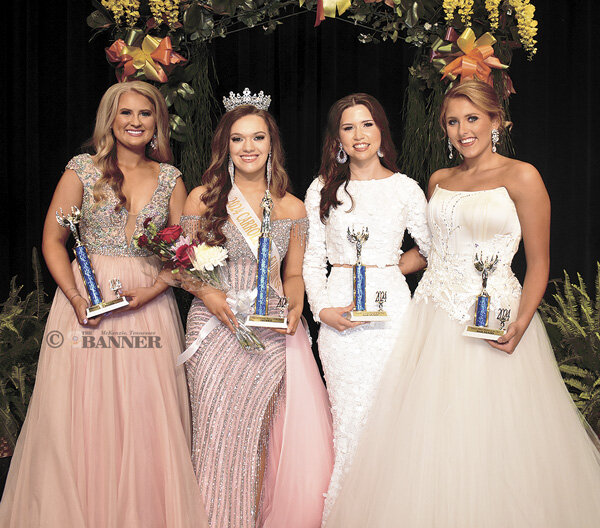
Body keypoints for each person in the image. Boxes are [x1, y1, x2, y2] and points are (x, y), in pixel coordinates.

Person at [326, 80, 600, 527]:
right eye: (452, 122)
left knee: (494, 433)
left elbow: (539, 264)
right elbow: (434, 250)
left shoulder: (522, 175)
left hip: (493, 319)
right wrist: (373, 271)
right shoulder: (439, 180)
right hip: (433, 318)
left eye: (472, 118)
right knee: (432, 438)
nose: (462, 130)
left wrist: (522, 322)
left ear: (496, 121)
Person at [0, 81, 207, 527]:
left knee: (145, 414)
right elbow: (53, 242)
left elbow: (183, 252)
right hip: (86, 304)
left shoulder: (170, 178)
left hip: (147, 306)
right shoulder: (81, 170)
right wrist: (75, 296)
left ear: (158, 122)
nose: (135, 122)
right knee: (81, 410)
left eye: (145, 114)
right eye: (126, 113)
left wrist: (155, 288)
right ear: (110, 120)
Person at [179, 89, 333, 528]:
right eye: (238, 139)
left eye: (258, 138)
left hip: (267, 329)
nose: (249, 147)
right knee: (214, 433)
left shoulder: (292, 207)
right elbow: (184, 269)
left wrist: (297, 301)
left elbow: (294, 275)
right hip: (214, 326)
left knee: (259, 434)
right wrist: (208, 294)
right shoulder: (202, 199)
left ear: (272, 145)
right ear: (225, 146)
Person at [302, 93, 430, 523]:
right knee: (350, 418)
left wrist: (389, 269)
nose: (359, 135)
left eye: (367, 125)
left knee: (394, 415)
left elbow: (430, 250)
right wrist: (321, 310)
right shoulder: (322, 188)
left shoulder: (405, 187)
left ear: (381, 131)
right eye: (349, 127)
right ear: (337, 137)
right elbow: (310, 260)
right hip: (339, 319)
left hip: (392, 315)